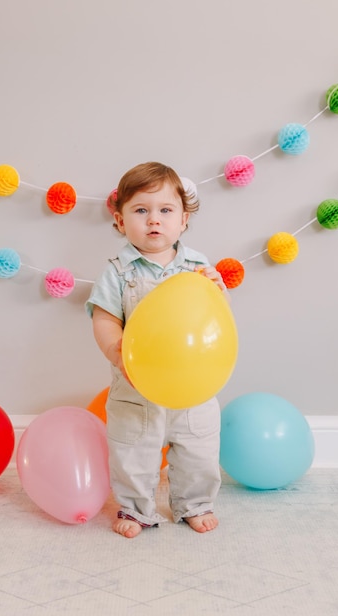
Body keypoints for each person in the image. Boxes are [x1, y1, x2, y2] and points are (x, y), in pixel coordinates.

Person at [86, 162, 228, 538]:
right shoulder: (118, 271)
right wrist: (116, 350)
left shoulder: (199, 268)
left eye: (166, 211)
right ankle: (135, 510)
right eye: (141, 210)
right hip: (135, 385)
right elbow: (103, 318)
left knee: (197, 447)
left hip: (193, 384)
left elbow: (215, 322)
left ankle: (195, 503)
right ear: (120, 221)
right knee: (132, 450)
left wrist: (217, 291)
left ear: (183, 221)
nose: (154, 220)